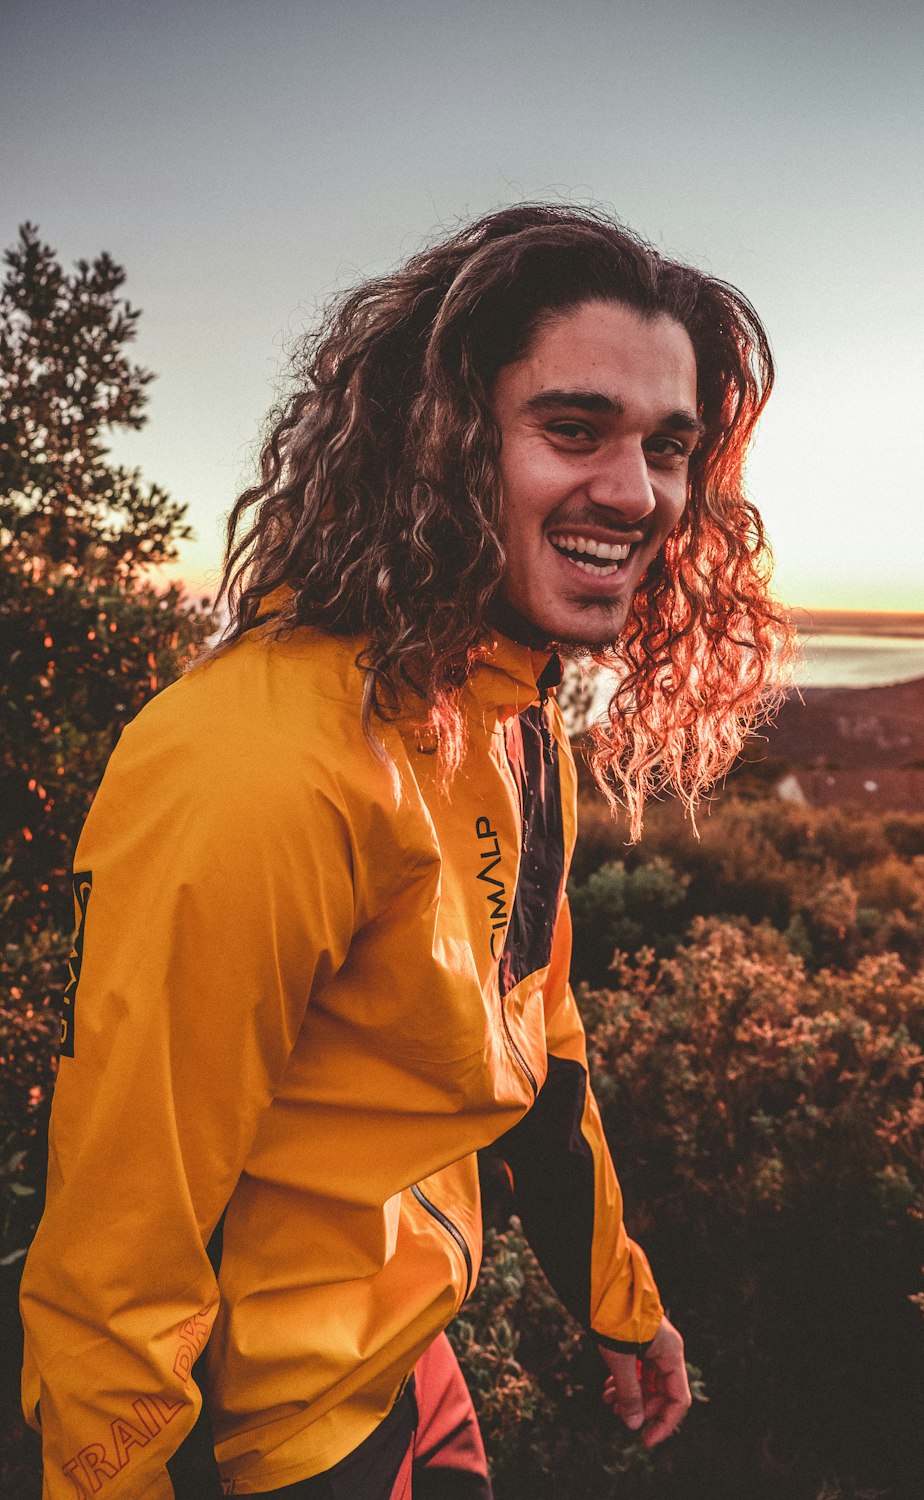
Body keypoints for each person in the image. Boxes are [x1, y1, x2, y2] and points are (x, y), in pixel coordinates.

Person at [20, 204, 790, 1497]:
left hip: (406, 1363)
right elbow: (115, 1257)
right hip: (268, 1442)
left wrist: (617, 1300)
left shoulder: (503, 712)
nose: (640, 491)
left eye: (669, 447)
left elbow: (535, 1034)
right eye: (573, 427)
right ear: (437, 438)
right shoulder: (255, 765)